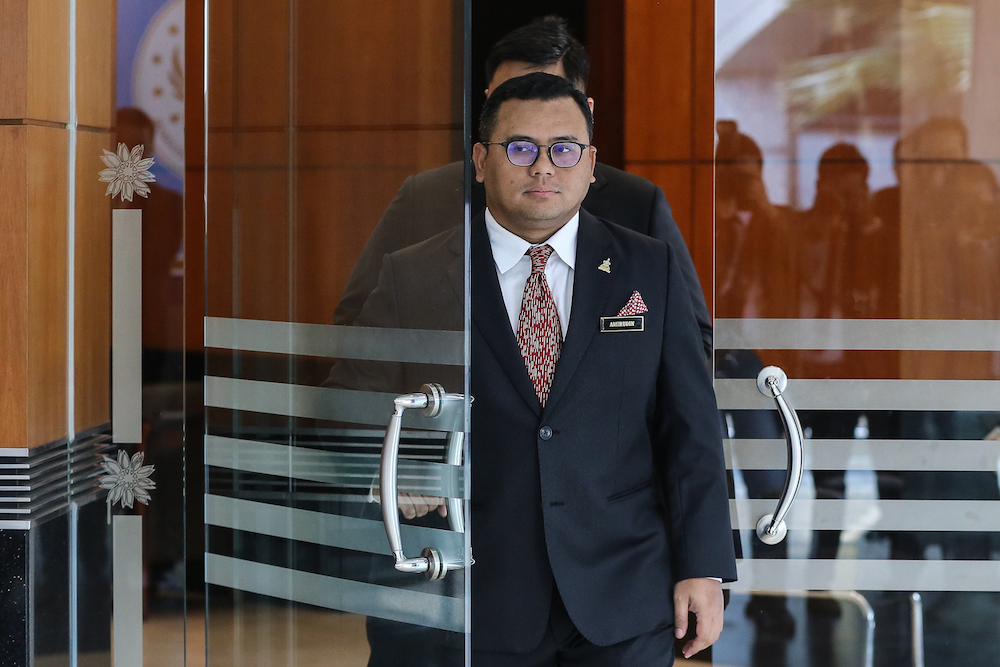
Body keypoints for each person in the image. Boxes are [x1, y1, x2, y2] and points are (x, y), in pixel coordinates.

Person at [350, 72, 736, 666]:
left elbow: (690, 429)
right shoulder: (416, 275)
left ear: (590, 164)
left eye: (564, 149)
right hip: (478, 596)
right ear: (481, 161)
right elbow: (357, 403)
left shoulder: (647, 268)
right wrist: (412, 469)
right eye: (521, 148)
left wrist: (703, 567)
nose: (543, 168)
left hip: (625, 592)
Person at [334, 16, 713, 360]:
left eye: (549, 92)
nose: (541, 166)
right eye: (510, 96)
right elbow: (359, 328)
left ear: (586, 109)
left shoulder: (637, 202)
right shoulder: (426, 195)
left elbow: (689, 343)